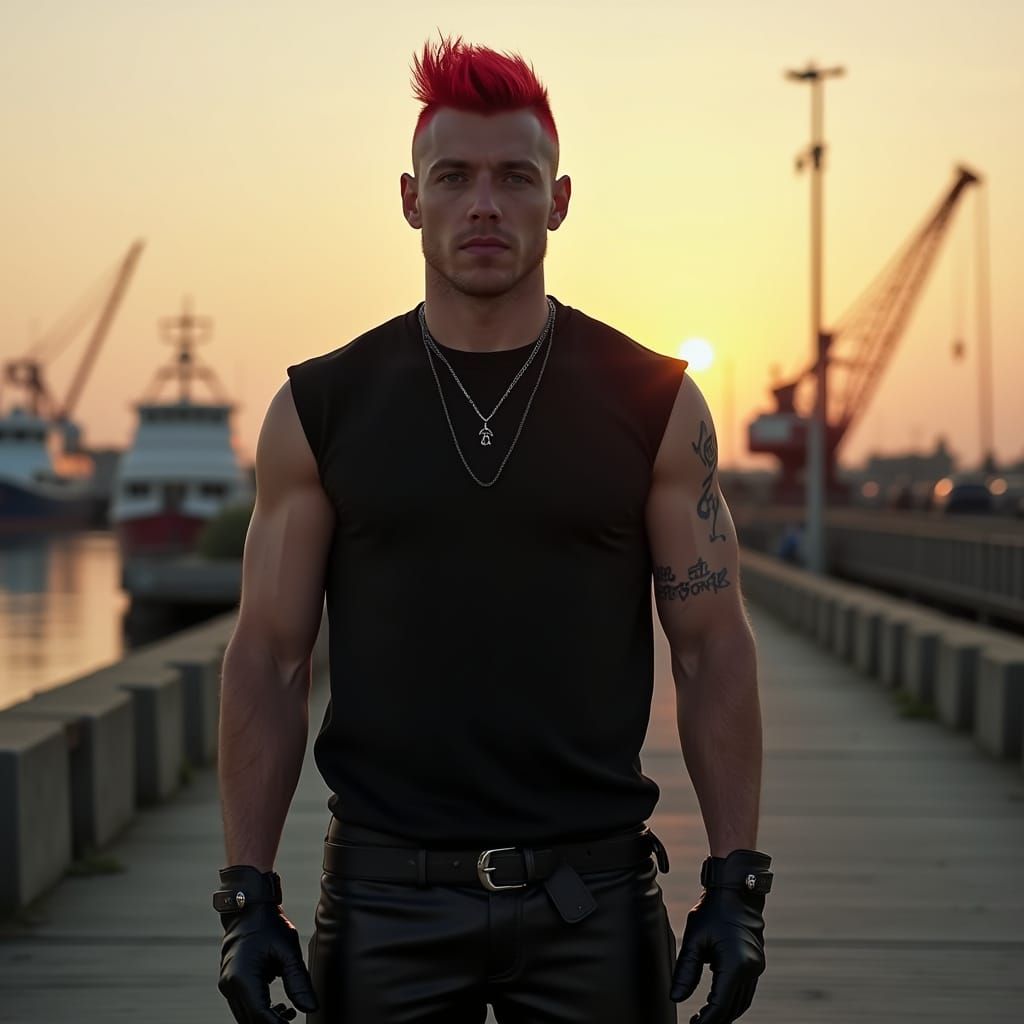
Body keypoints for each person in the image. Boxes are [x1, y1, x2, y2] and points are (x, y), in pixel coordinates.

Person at [213, 34, 773, 1024]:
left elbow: (711, 646)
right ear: (409, 198)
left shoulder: (653, 403)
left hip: (592, 893)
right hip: (386, 893)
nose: (483, 204)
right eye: (454, 177)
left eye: (515, 177)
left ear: (558, 200)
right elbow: (267, 656)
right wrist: (247, 897)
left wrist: (735, 883)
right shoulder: (321, 408)